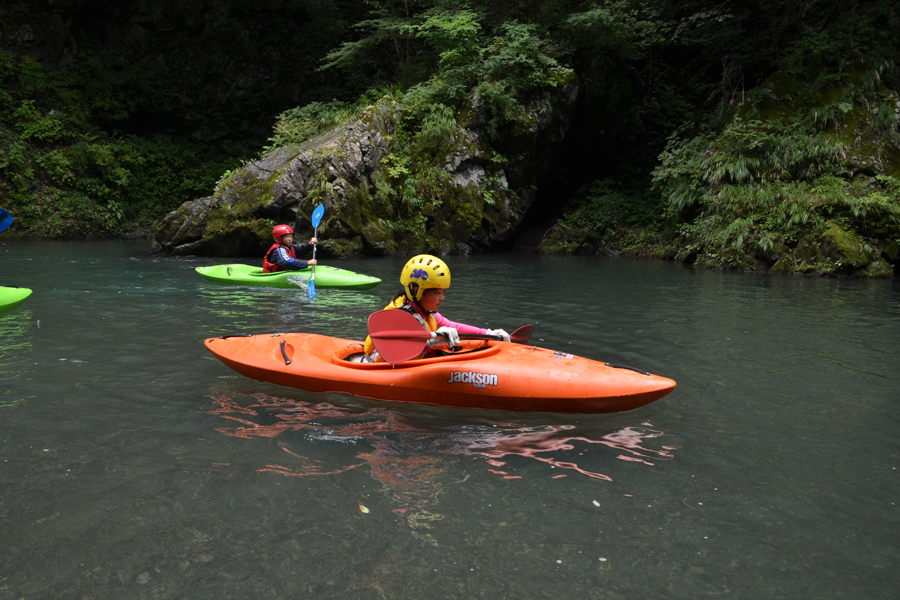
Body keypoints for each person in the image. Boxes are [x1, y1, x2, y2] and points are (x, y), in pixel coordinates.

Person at [362, 254, 510, 362]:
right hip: (377, 368)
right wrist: (429, 344)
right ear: (416, 291)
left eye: (443, 293)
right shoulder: (395, 316)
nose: (442, 298)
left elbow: (452, 326)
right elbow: (395, 353)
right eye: (437, 293)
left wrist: (488, 333)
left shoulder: (425, 312)